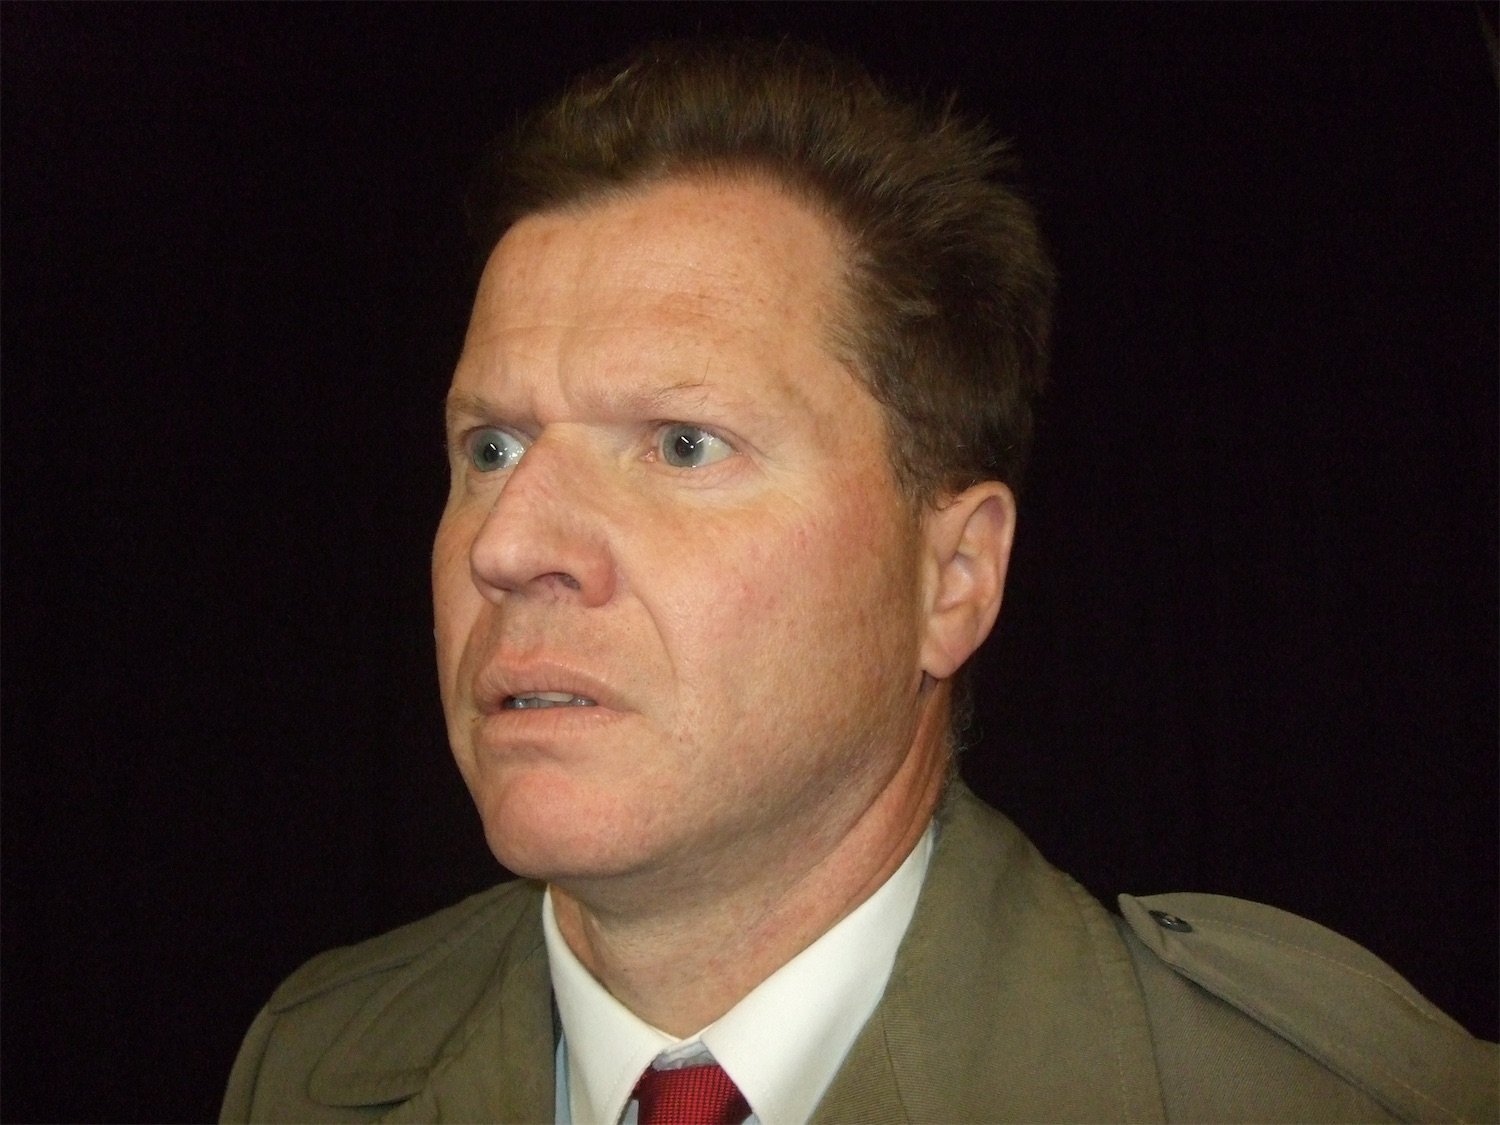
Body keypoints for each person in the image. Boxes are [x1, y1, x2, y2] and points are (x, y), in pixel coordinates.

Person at [220, 40, 1496, 1124]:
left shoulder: (1294, 1094)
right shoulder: (314, 1065)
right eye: (490, 448)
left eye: (680, 443)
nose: (509, 542)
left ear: (953, 577)